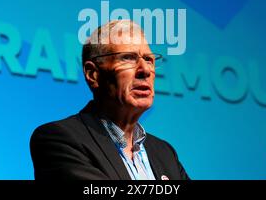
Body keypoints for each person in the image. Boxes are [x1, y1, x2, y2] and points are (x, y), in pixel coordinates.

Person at [30, 20, 189, 180]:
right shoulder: (60, 140)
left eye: (149, 60)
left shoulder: (165, 153)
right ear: (93, 74)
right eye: (128, 58)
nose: (145, 70)